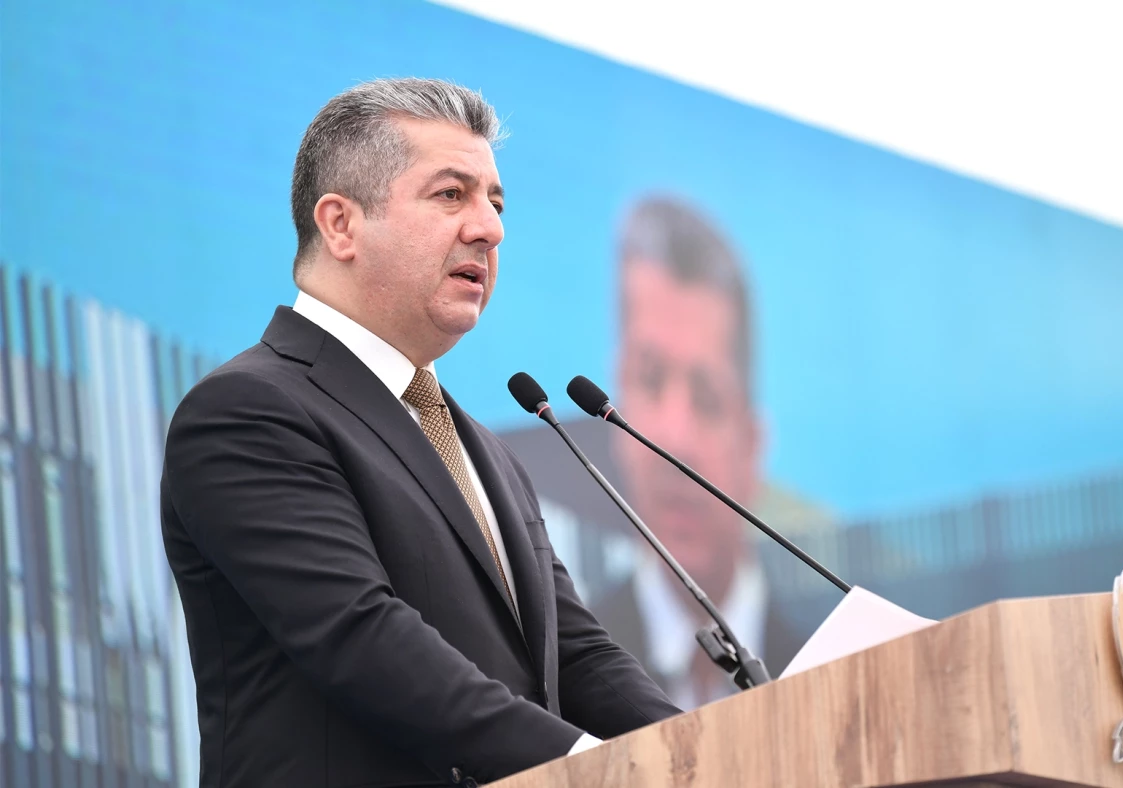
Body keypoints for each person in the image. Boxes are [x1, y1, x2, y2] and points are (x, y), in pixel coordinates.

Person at [160, 78, 679, 788]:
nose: (490, 228)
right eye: (451, 195)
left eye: (495, 202)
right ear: (340, 224)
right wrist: (597, 772)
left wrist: (704, 754)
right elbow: (363, 639)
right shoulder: (248, 411)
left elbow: (579, 657)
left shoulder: (484, 447)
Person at [591, 197, 805, 710]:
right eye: (650, 380)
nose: (674, 437)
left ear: (752, 445)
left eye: (707, 400)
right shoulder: (563, 674)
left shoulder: (823, 672)